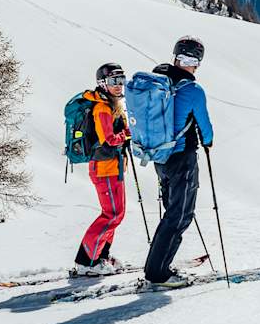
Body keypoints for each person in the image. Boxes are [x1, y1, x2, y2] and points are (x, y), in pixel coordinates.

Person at [143, 36, 215, 286]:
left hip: (159, 157)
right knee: (180, 215)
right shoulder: (192, 90)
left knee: (172, 212)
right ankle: (157, 273)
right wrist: (208, 141)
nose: (191, 65)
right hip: (182, 158)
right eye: (191, 60)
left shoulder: (154, 83)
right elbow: (204, 126)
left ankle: (156, 266)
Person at [74, 62, 131, 274]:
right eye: (114, 81)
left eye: (121, 80)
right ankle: (87, 261)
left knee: (116, 213)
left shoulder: (113, 105)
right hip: (104, 167)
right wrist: (126, 135)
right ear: (102, 83)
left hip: (113, 167)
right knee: (112, 215)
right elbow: (108, 139)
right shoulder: (102, 108)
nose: (119, 86)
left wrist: (126, 131)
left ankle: (100, 255)